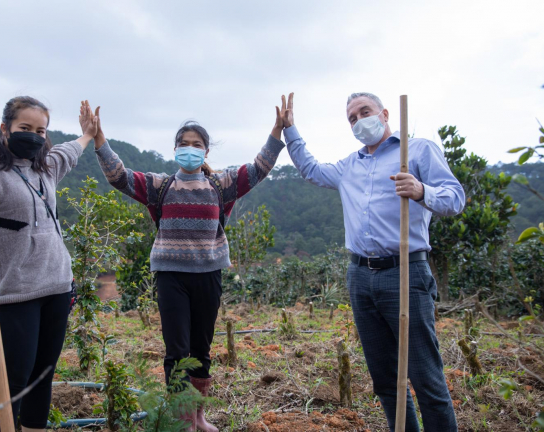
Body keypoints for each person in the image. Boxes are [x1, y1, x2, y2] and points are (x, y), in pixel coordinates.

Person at [93, 97, 288, 431]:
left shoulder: (220, 185)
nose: (190, 149)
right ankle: (182, 418)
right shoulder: (160, 185)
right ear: (175, 150)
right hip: (171, 276)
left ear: (206, 153)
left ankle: (198, 415)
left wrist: (276, 130)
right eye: (183, 144)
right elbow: (119, 177)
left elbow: (258, 170)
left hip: (208, 274)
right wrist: (99, 138)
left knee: (201, 347)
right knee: (177, 349)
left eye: (197, 145)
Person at [282, 92, 464, 431]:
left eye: (363, 112)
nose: (358, 120)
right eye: (351, 118)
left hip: (405, 271)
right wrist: (289, 130)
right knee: (385, 379)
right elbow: (310, 169)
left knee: (425, 376)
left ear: (383, 113)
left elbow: (455, 198)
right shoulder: (350, 166)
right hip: (360, 276)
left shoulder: (418, 150)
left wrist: (422, 190)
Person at [0, 97, 98, 432]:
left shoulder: (45, 167)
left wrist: (87, 135)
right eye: (25, 129)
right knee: (14, 381)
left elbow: (68, 152)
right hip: (16, 293)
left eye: (40, 130)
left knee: (43, 374)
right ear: (5, 130)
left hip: (58, 286)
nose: (33, 136)